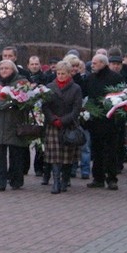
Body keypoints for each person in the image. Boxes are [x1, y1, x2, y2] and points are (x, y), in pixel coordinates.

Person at [41, 60, 83, 194]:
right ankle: (56, 182)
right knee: (54, 155)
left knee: (67, 155)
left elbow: (77, 109)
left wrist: (63, 120)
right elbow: (45, 106)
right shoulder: (50, 86)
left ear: (69, 74)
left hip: (69, 124)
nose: (60, 76)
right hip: (53, 124)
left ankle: (65, 180)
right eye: (58, 73)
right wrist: (53, 119)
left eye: (63, 74)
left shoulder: (76, 88)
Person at [83, 54, 123, 190]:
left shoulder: (115, 78)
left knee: (111, 150)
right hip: (95, 119)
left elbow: (121, 97)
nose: (92, 65)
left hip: (111, 119)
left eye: (95, 63)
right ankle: (98, 178)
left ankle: (112, 179)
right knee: (97, 150)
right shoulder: (91, 78)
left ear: (103, 63)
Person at [0, 60, 26, 191]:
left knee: (16, 153)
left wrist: (11, 102)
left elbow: (25, 99)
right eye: (1, 68)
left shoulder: (21, 83)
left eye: (7, 68)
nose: (3, 70)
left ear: (13, 70)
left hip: (14, 121)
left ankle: (16, 180)